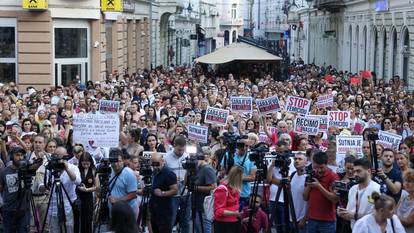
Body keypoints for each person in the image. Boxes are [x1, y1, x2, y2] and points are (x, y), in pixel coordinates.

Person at [44, 146, 81, 233]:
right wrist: (43, 188)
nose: (57, 158)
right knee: (53, 230)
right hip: (52, 206)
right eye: (55, 155)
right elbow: (45, 184)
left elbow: (78, 181)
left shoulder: (73, 167)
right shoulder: (50, 167)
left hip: (68, 206)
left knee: (67, 230)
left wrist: (66, 168)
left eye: (59, 156)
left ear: (65, 156)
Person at [337, 158, 380, 228]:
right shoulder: (352, 189)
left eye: (358, 171)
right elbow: (350, 215)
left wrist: (354, 215)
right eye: (354, 171)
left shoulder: (376, 189)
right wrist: (343, 213)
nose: (355, 174)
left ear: (368, 171)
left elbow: (377, 216)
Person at [303, 151, 339, 233]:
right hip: (312, 219)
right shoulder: (311, 175)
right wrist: (309, 184)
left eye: (321, 167)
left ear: (326, 164)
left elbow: (335, 199)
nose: (319, 170)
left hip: (327, 221)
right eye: (316, 167)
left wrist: (319, 186)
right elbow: (305, 197)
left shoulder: (333, 177)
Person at [163, 135, 191, 233]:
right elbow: (163, 176)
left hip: (186, 194)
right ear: (174, 145)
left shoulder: (188, 156)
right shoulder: (166, 158)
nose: (181, 152)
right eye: (179, 150)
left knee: (186, 221)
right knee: (170, 220)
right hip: (172, 195)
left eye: (182, 150)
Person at [0, 147, 31, 233]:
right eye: (17, 155)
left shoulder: (27, 170)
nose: (20, 158)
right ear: (11, 157)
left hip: (23, 209)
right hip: (8, 209)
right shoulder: (4, 172)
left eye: (21, 155)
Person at [149, 152, 179, 233]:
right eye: (153, 164)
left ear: (162, 161)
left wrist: (162, 193)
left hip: (165, 211)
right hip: (154, 210)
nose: (155, 167)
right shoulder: (153, 172)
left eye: (157, 164)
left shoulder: (168, 173)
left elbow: (175, 190)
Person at [107, 148, 138, 217]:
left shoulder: (129, 174)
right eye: (112, 161)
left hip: (127, 212)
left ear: (123, 161)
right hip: (114, 212)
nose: (115, 164)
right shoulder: (109, 170)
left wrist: (117, 201)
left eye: (118, 161)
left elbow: (133, 194)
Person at [213, 166, 243, 233]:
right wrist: (235, 213)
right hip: (224, 224)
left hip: (234, 221)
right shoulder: (222, 189)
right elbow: (218, 211)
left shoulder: (235, 188)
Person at [194, 152, 217, 233]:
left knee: (204, 227)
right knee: (197, 227)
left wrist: (196, 188)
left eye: (195, 161)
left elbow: (213, 187)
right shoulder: (196, 168)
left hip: (204, 205)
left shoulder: (207, 169)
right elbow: (187, 183)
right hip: (195, 203)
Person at [76, 152, 99, 233]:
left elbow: (97, 187)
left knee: (88, 219)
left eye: (87, 164)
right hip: (78, 197)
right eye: (84, 164)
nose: (86, 166)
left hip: (88, 197)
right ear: (80, 162)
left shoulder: (93, 170)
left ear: (91, 162)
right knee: (79, 219)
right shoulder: (77, 169)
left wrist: (87, 190)